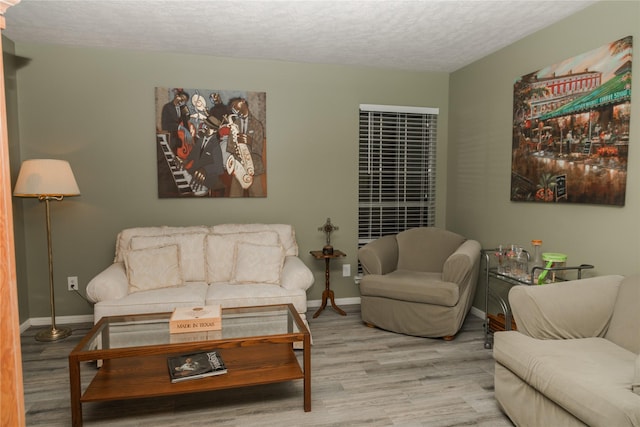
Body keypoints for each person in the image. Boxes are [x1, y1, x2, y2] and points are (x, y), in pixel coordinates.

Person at [225, 97, 265, 197]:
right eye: (232, 109)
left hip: (254, 167)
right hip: (238, 166)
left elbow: (259, 149)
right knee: (234, 196)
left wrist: (250, 142)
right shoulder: (235, 124)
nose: (234, 109)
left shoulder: (257, 124)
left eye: (235, 106)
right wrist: (237, 146)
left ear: (243, 101)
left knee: (257, 196)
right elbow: (229, 146)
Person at [183, 114, 225, 196]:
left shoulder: (215, 145)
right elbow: (192, 156)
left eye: (209, 127)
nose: (205, 128)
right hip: (194, 174)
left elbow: (219, 167)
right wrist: (184, 161)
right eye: (205, 125)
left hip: (207, 178)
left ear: (215, 131)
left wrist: (205, 170)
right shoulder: (200, 140)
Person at [161, 89, 189, 154]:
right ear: (177, 96)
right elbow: (164, 124)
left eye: (185, 100)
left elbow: (185, 121)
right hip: (170, 135)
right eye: (182, 98)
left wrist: (186, 113)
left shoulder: (182, 108)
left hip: (179, 136)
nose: (183, 101)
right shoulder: (167, 107)